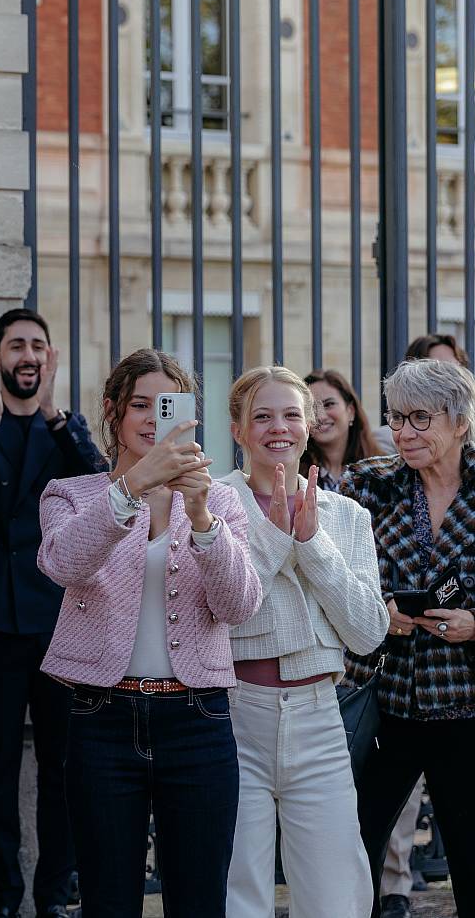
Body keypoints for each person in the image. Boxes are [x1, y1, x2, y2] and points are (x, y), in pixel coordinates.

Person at [36, 347, 262, 917]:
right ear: (112, 411)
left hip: (198, 718)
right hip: (100, 717)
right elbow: (63, 563)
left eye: (165, 406)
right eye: (139, 404)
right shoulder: (71, 495)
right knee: (108, 901)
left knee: (198, 900)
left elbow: (239, 605)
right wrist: (131, 488)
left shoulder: (219, 499)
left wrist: (204, 518)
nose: (151, 419)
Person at [0, 308, 102, 918]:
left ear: (50, 358)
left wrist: (58, 417)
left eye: (38, 345)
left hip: (61, 615)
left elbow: (100, 484)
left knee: (62, 765)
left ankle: (54, 896)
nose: (28, 355)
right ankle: (3, 897)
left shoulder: (68, 429)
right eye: (16, 346)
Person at [217, 366, 388, 918]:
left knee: (339, 893)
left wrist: (313, 544)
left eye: (291, 414)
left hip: (319, 719)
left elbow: (366, 633)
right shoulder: (215, 506)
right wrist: (274, 535)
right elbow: (218, 610)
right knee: (237, 890)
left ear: (310, 424)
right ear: (238, 430)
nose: (279, 428)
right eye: (261, 416)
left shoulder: (346, 516)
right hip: (234, 717)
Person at [339, 358, 475, 918]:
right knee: (353, 847)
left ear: (461, 421)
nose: (405, 433)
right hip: (387, 700)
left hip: (466, 708)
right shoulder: (368, 485)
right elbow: (338, 581)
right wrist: (380, 613)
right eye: (397, 418)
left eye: (422, 418)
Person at [373, 335, 470, 454]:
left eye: (454, 367)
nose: (406, 435)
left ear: (461, 422)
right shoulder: (384, 448)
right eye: (435, 368)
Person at [300, 370, 382, 492]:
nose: (321, 416)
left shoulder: (381, 471)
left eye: (329, 404)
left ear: (351, 411)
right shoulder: (295, 476)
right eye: (312, 408)